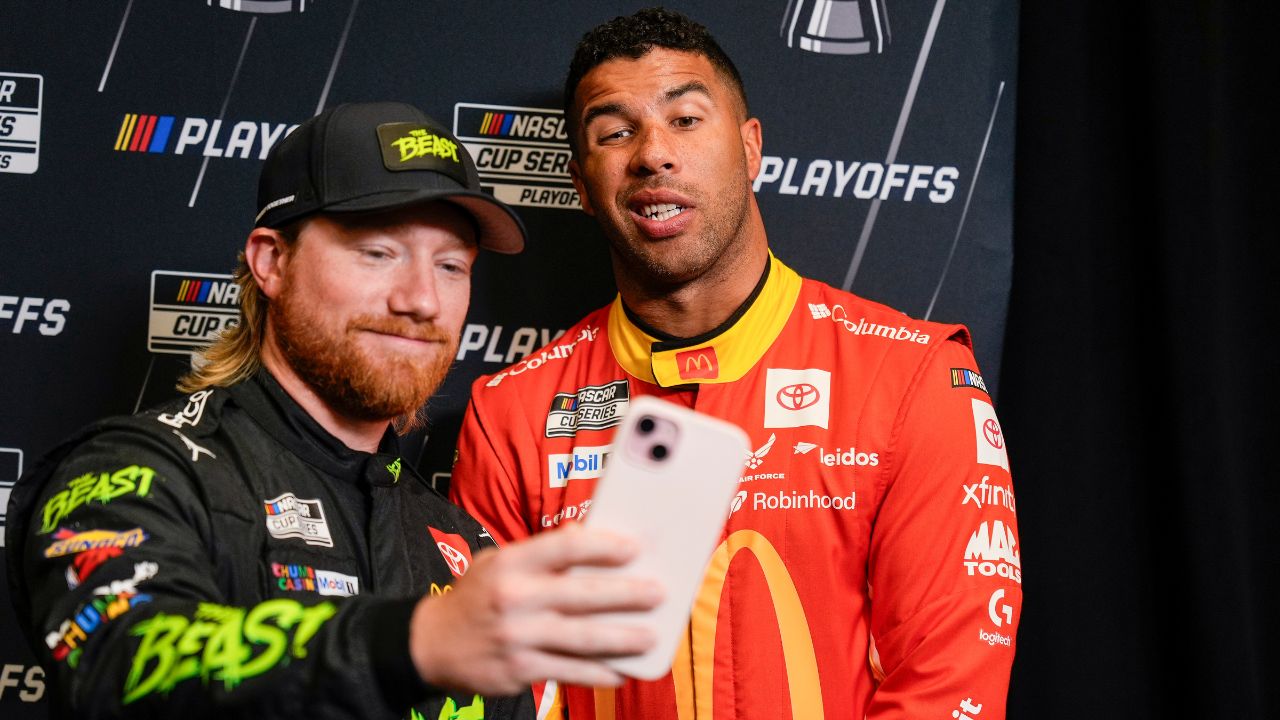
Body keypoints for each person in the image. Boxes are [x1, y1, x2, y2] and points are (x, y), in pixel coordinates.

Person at [4, 101, 662, 720]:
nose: (422, 300)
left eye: (452, 266)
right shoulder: (139, 473)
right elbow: (120, 662)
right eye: (378, 253)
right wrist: (416, 643)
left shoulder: (463, 544)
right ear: (271, 261)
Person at [450, 9, 1022, 720]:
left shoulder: (912, 378)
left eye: (685, 119)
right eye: (614, 131)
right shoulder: (514, 413)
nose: (653, 153)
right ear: (579, 181)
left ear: (751, 149)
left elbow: (945, 685)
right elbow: (499, 693)